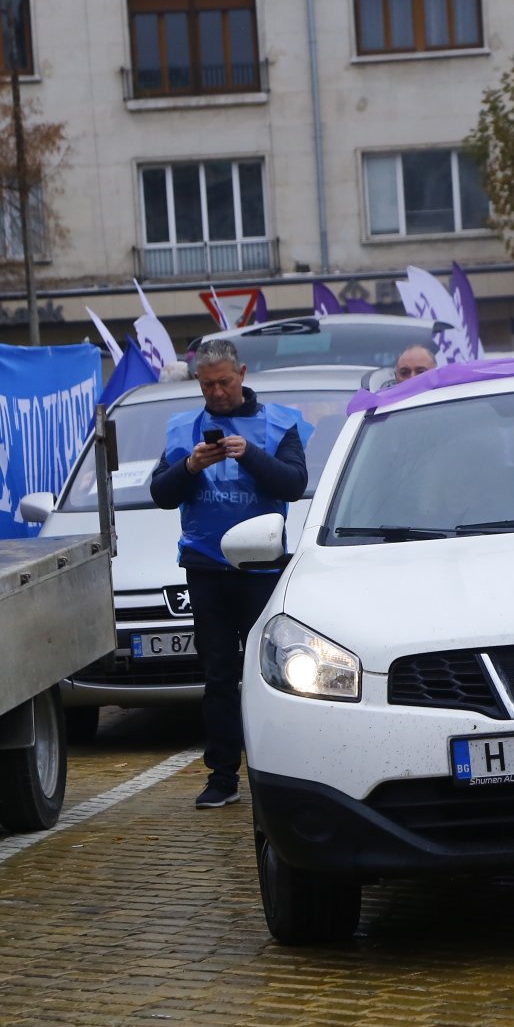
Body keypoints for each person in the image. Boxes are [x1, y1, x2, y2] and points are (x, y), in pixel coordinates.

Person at [149, 339, 309, 809]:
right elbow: (161, 493)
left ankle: (283, 771)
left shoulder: (279, 422)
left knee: (272, 674)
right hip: (206, 569)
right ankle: (222, 776)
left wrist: (250, 456)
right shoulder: (184, 427)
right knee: (218, 676)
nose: (217, 392)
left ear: (241, 373)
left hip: (262, 570)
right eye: (207, 384)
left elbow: (294, 484)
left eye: (224, 382)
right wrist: (190, 466)